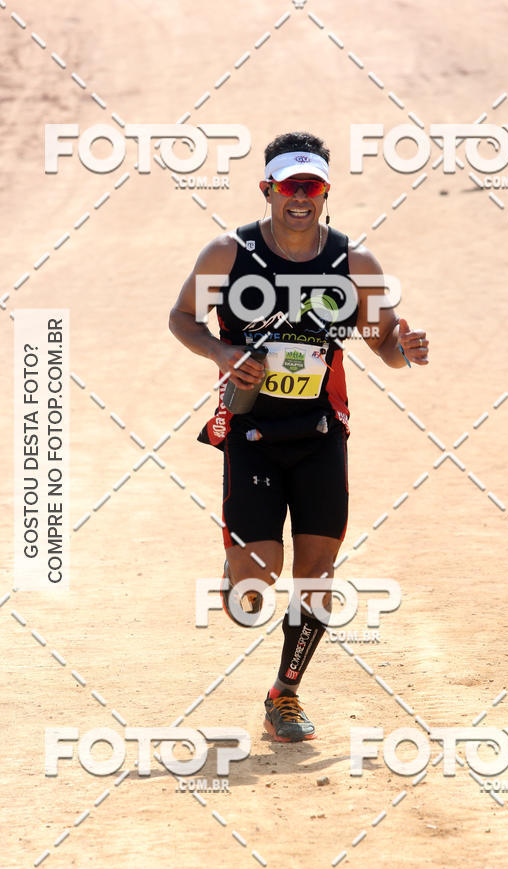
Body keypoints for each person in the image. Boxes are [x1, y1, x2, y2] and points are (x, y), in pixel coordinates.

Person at [169, 131, 429, 742]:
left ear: (325, 193)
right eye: (289, 187)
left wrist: (406, 350)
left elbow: (384, 345)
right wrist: (221, 352)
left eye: (311, 188)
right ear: (268, 190)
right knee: (256, 585)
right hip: (252, 430)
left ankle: (284, 694)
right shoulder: (228, 254)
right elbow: (181, 318)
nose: (300, 198)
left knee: (317, 574)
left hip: (320, 431)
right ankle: (241, 568)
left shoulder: (355, 263)